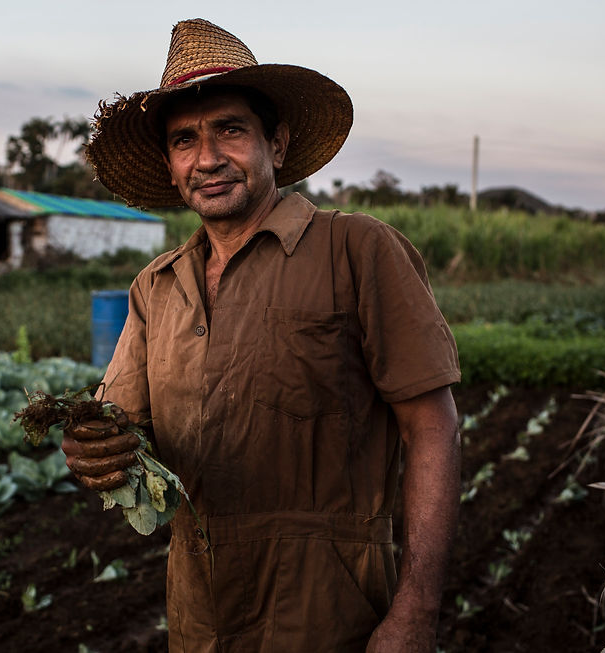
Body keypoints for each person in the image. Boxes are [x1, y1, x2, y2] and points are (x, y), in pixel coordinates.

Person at [63, 18, 461, 653]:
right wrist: (92, 452)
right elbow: (123, 438)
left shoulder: (355, 250)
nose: (208, 158)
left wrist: (415, 612)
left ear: (275, 145)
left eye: (229, 130)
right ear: (170, 167)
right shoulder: (155, 288)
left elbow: (432, 427)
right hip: (199, 615)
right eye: (185, 140)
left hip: (330, 613)